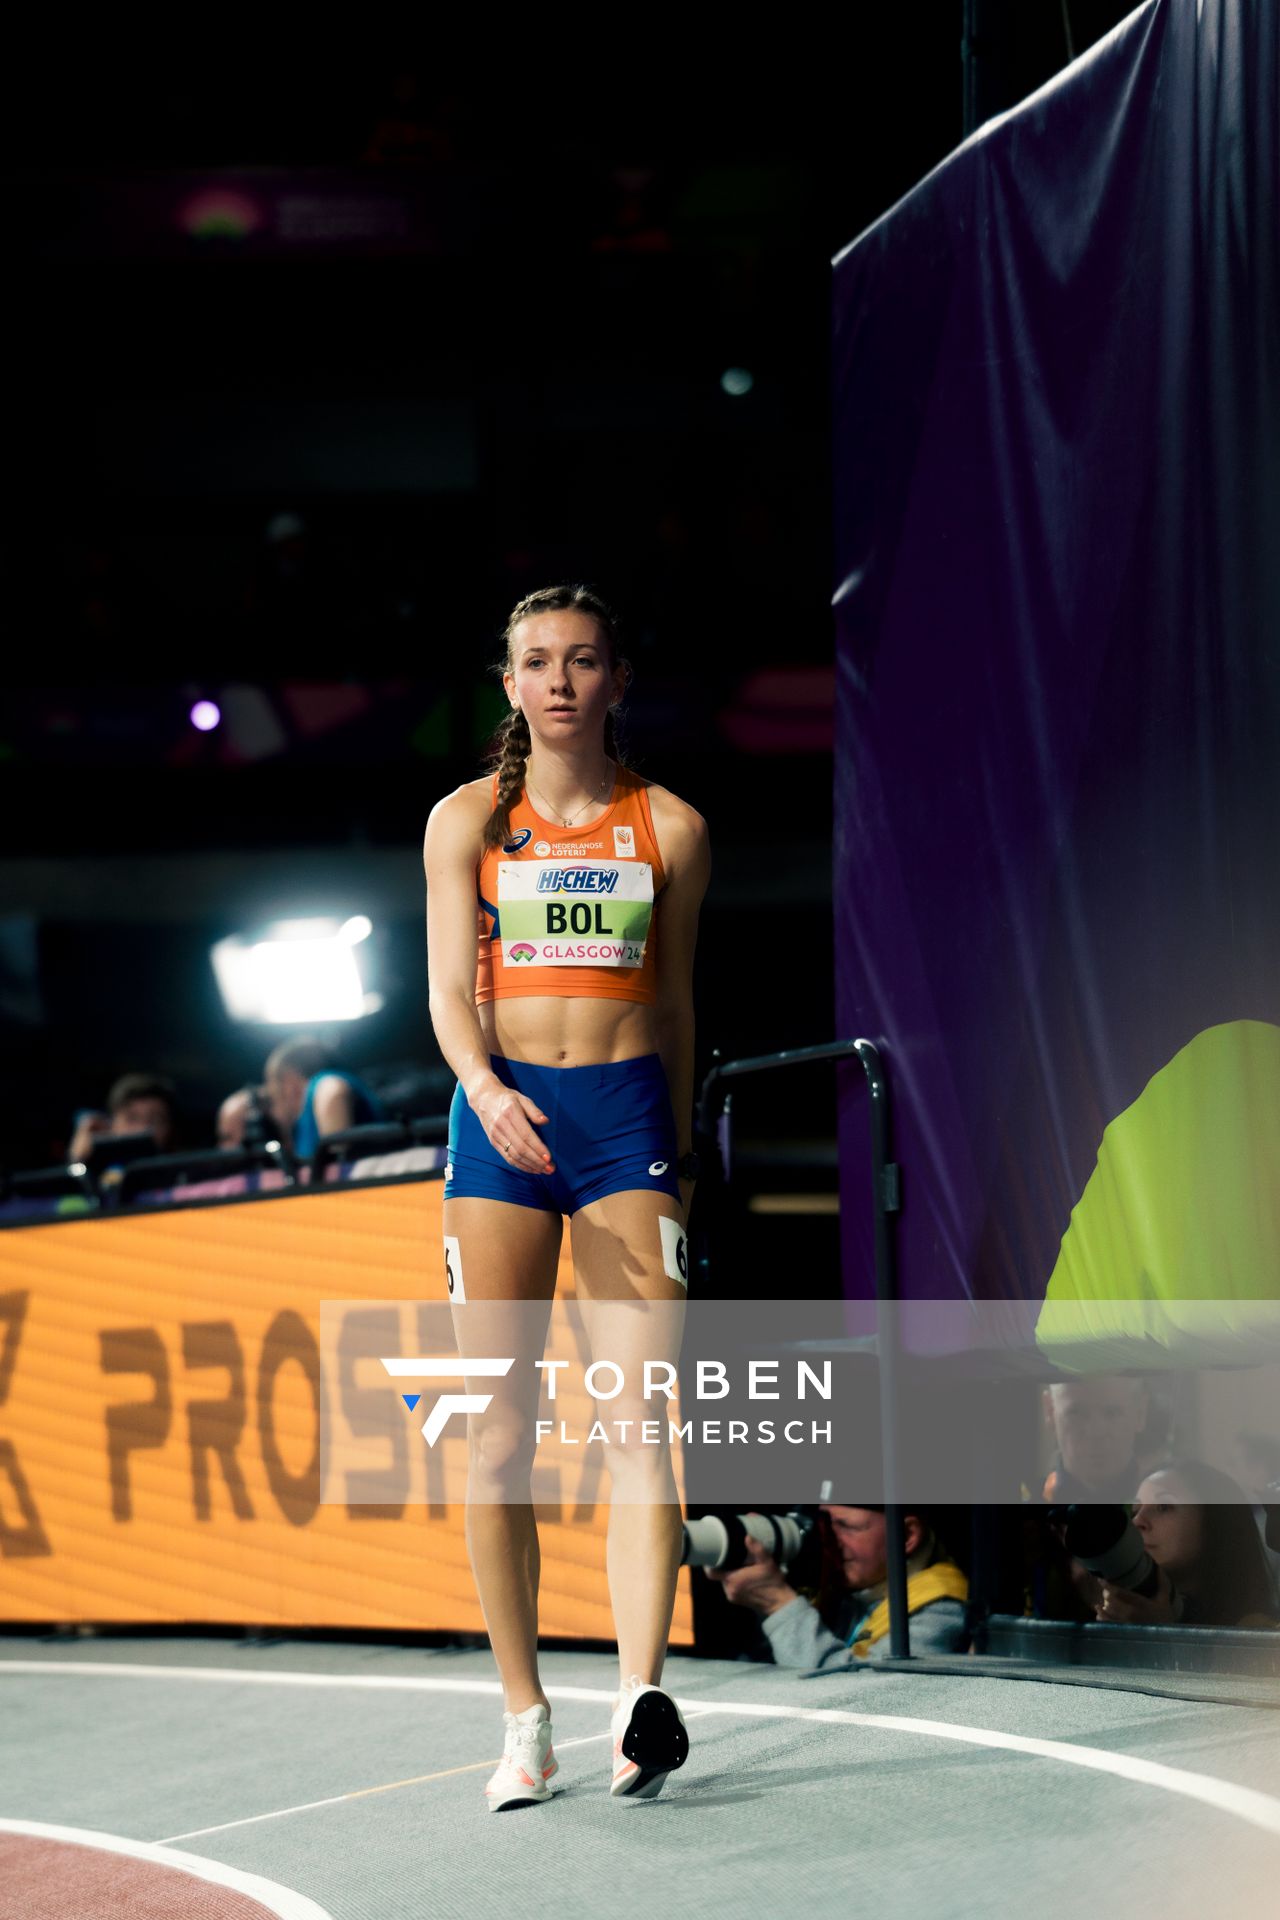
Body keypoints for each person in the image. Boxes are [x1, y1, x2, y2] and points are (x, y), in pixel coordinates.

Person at [423, 582, 710, 1810]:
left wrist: (679, 1150)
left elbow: (677, 1004)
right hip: (500, 1131)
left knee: (641, 1420)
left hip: (624, 1132)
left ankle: (640, 1700)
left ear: (613, 681)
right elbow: (444, 991)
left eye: (580, 661)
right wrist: (483, 1089)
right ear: (508, 685)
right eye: (534, 661)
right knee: (498, 1436)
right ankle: (523, 1718)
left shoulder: (673, 831)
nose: (556, 681)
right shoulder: (464, 823)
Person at [707, 1505, 969, 1670]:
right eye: (825, 1526)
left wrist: (778, 1606)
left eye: (847, 1526)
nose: (829, 1541)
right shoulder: (841, 1592)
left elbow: (862, 1700)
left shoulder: (941, 1610)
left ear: (908, 1536)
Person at [1092, 1460, 1279, 1630]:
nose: (1137, 1521)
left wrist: (1160, 1635)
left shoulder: (1259, 1629)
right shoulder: (1120, 1613)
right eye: (1135, 1510)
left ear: (1214, 1523)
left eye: (1163, 1506)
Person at [262, 1037, 384, 1161]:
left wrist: (337, 1155)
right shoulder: (302, 1120)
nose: (273, 1093)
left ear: (289, 1078)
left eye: (275, 1083)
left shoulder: (322, 1082)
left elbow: (333, 1091)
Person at [66, 1071, 176, 1165]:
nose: (144, 1128)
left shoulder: (183, 1176)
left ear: (170, 1128)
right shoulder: (97, 1174)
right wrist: (77, 1160)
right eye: (132, 1118)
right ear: (111, 1124)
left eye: (156, 1120)